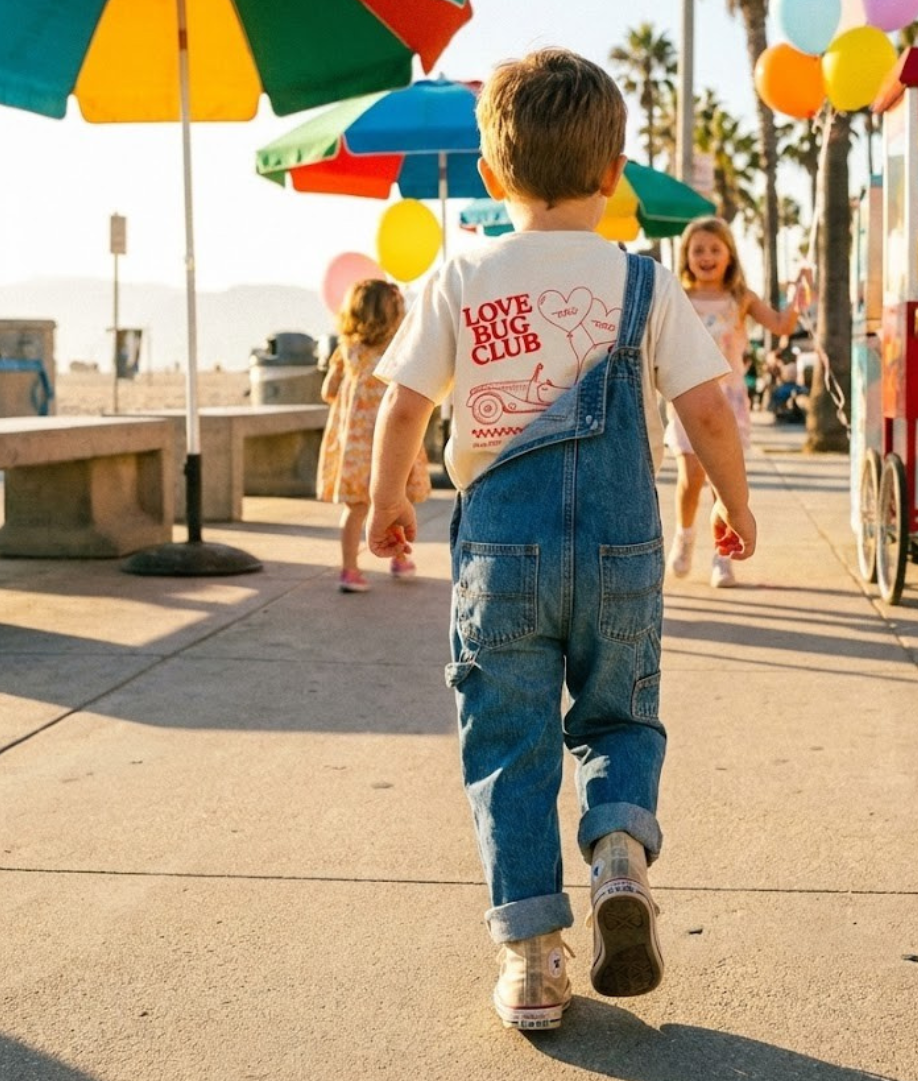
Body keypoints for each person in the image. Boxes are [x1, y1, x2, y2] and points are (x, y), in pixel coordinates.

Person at [364, 48, 756, 1030]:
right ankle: (618, 845)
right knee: (619, 717)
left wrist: (386, 501)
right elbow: (708, 410)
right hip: (622, 553)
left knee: (510, 743)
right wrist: (737, 505)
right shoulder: (644, 282)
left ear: (492, 174)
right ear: (614, 174)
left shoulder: (463, 274)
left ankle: (534, 958)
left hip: (502, 559)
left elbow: (405, 405)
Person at [665, 215, 798, 588]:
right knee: (691, 476)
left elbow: (782, 325)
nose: (706, 257)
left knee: (723, 483)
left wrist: (799, 296)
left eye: (714, 249)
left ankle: (722, 555)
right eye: (698, 250)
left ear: (729, 255)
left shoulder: (742, 298)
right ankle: (685, 535)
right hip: (687, 395)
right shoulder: (677, 295)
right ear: (686, 255)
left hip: (731, 399)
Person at [316, 278, 429, 592]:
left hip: (355, 446)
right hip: (393, 441)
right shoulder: (400, 348)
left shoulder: (347, 348)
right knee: (396, 498)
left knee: (356, 508)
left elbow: (328, 391)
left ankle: (349, 569)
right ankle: (400, 559)